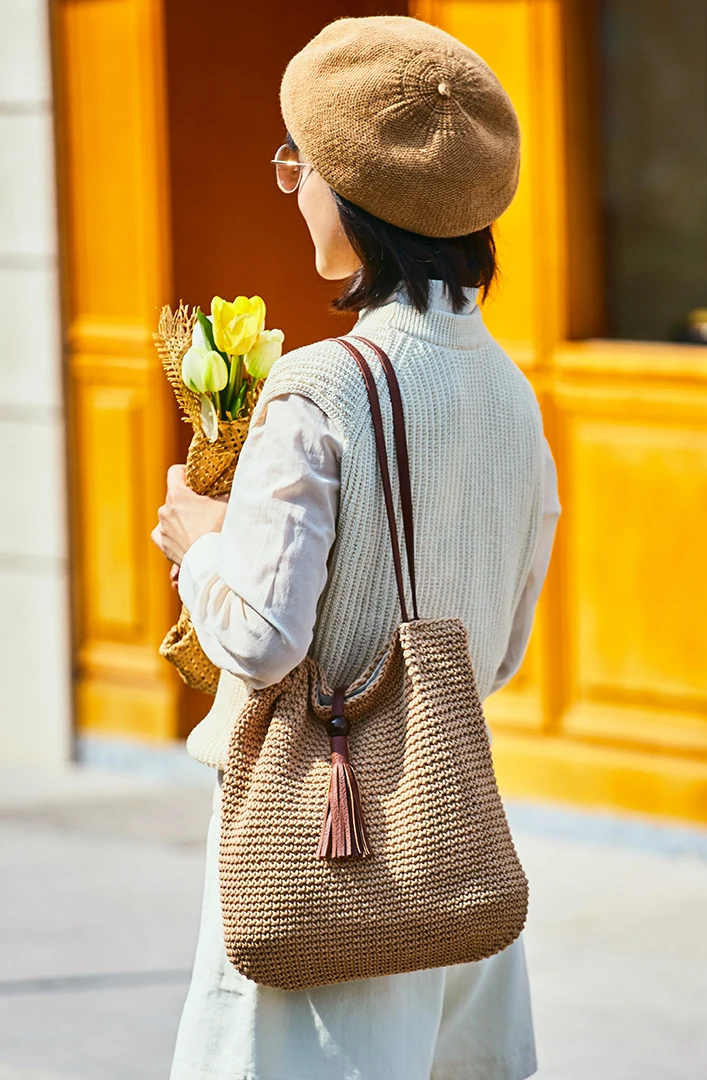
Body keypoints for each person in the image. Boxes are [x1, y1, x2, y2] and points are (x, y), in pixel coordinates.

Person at [151, 15, 560, 1080]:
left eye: (302, 163)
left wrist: (200, 542)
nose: (290, 187)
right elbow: (500, 654)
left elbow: (261, 639)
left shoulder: (321, 386)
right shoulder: (514, 395)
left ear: (357, 195)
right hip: (448, 849)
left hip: (325, 853)